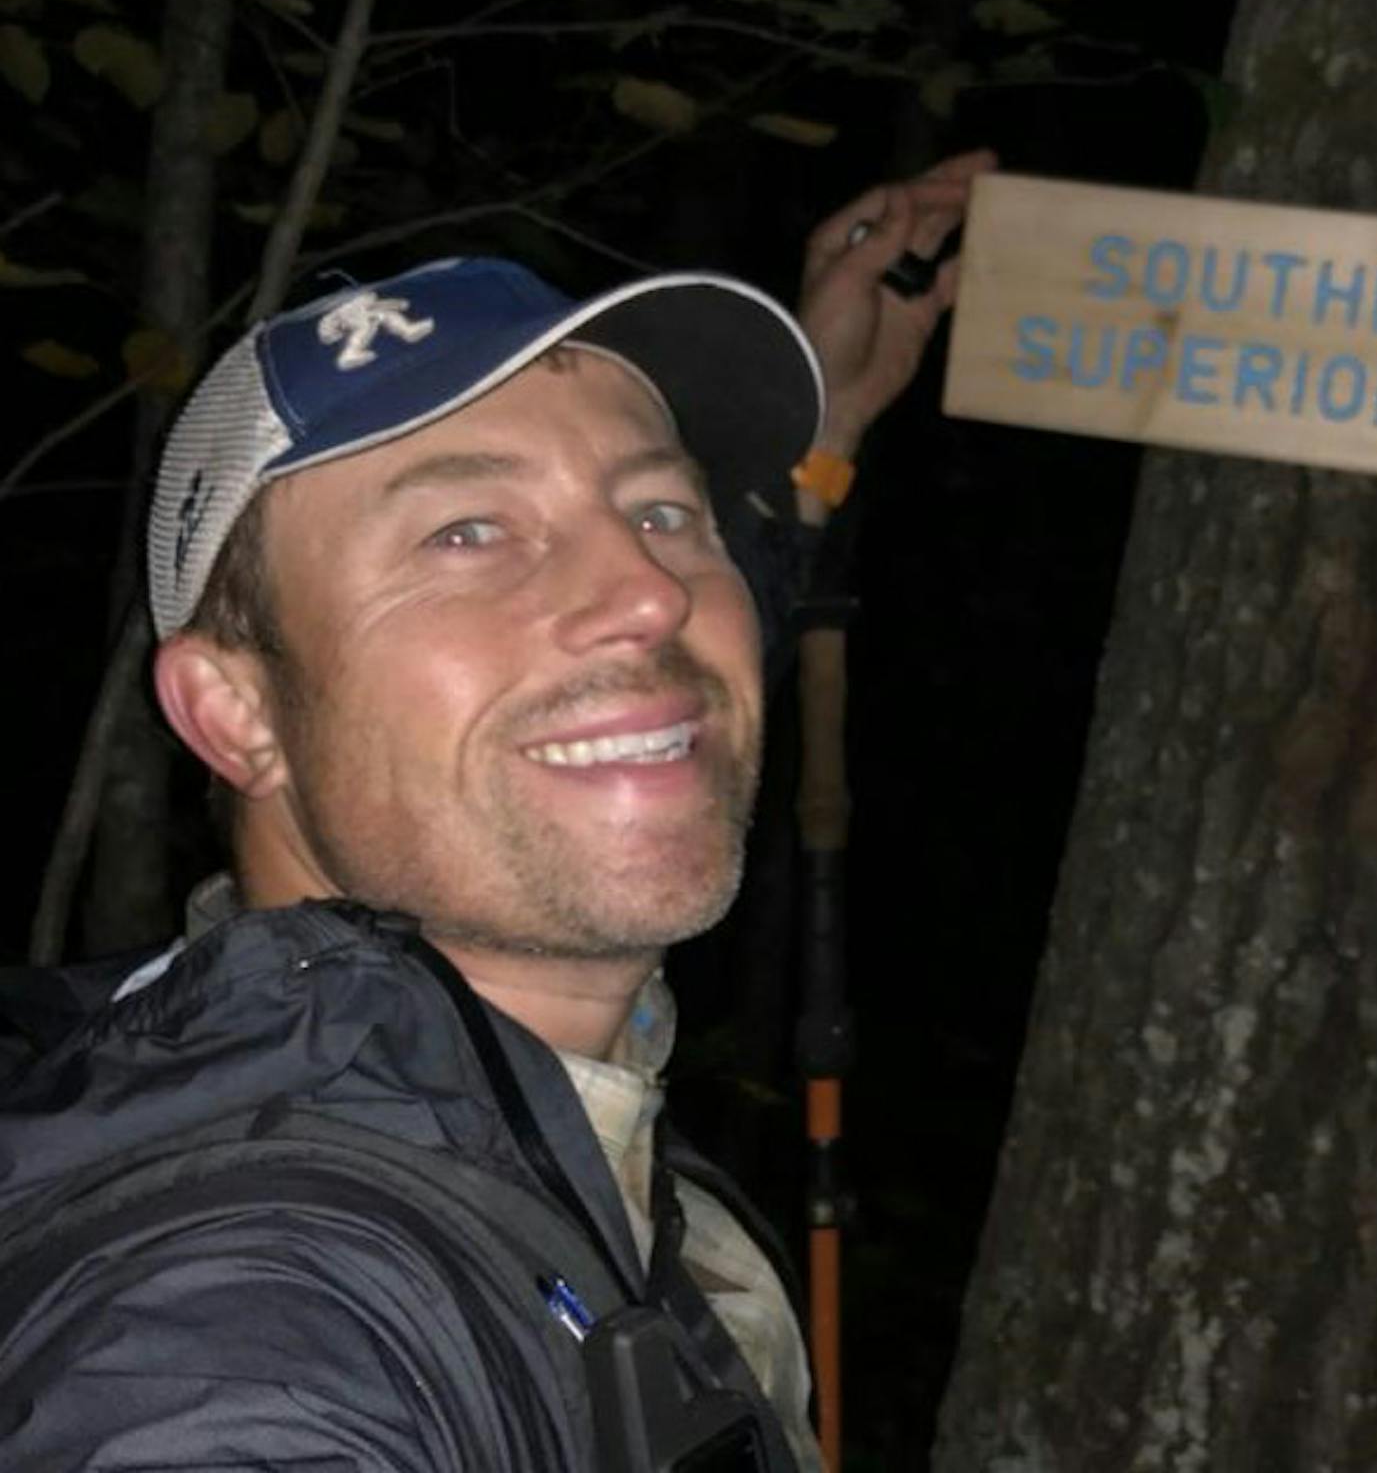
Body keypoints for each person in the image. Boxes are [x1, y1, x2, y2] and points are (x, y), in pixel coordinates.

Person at [0, 150, 996, 1472]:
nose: (649, 593)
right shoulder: (250, 1308)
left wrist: (815, 445)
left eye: (658, 509)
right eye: (467, 533)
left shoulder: (539, 1118)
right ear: (238, 714)